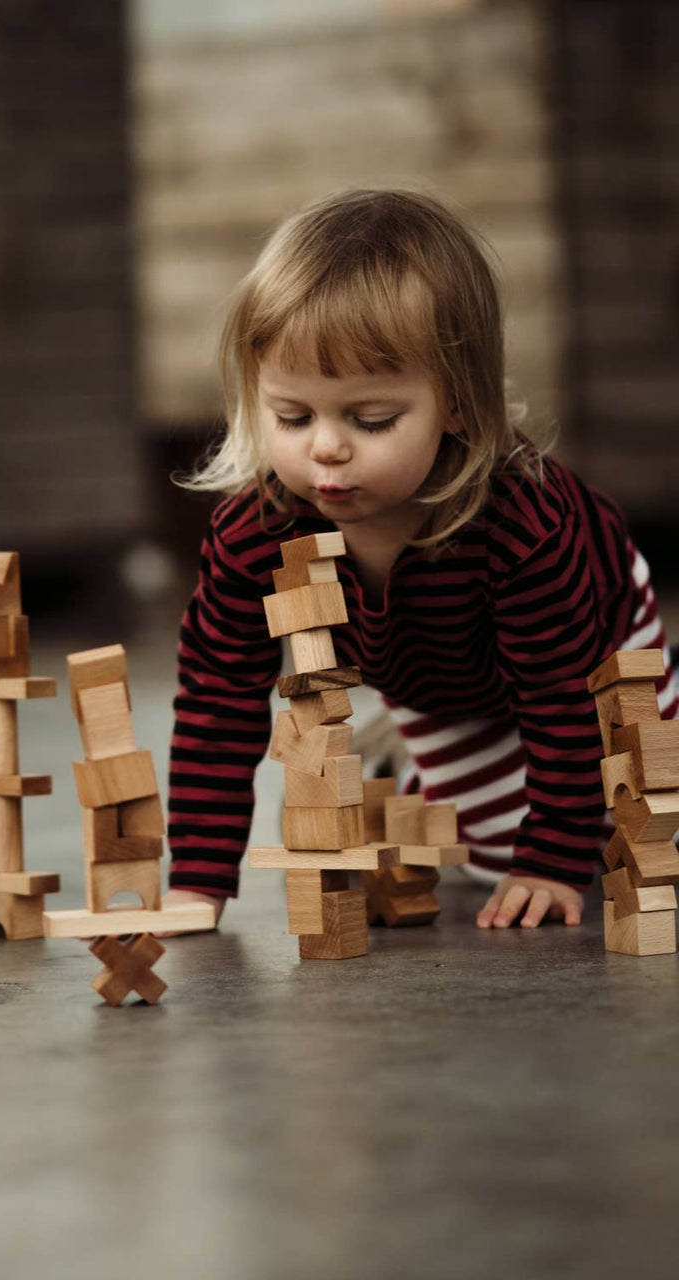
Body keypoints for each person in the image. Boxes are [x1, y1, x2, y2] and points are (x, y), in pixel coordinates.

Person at [162, 189, 675, 932]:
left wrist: (552, 862)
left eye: (371, 420)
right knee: (477, 850)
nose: (326, 448)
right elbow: (217, 702)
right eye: (292, 416)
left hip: (592, 644)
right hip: (432, 674)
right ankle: (399, 761)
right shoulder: (254, 534)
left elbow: (566, 698)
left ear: (459, 406)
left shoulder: (521, 527)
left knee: (623, 831)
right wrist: (197, 884)